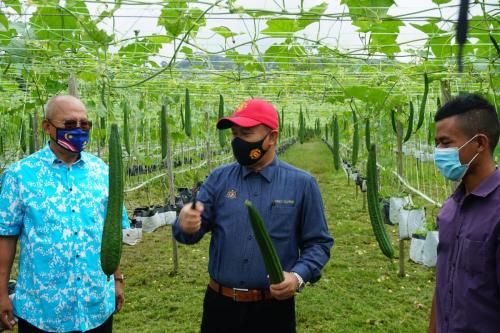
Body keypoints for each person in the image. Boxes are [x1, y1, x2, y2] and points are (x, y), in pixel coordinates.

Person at [173, 99, 334, 333]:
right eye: (234, 134)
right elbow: (190, 231)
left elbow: (319, 243)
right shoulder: (218, 179)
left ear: (272, 137)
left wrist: (298, 277)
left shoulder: (302, 184)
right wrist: (186, 225)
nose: (237, 141)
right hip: (220, 307)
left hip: (273, 311)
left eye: (246, 133)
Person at [0, 95, 129, 333]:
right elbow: (6, 237)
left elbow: (109, 232)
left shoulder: (104, 173)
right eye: (69, 124)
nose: (78, 129)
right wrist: (1, 293)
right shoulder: (20, 175)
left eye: (84, 124)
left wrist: (117, 279)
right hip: (42, 311)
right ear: (47, 126)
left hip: (96, 306)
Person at [428, 93, 500, 333]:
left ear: (480, 143)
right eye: (437, 142)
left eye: (446, 143)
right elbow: (443, 285)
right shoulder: (451, 207)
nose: (438, 151)